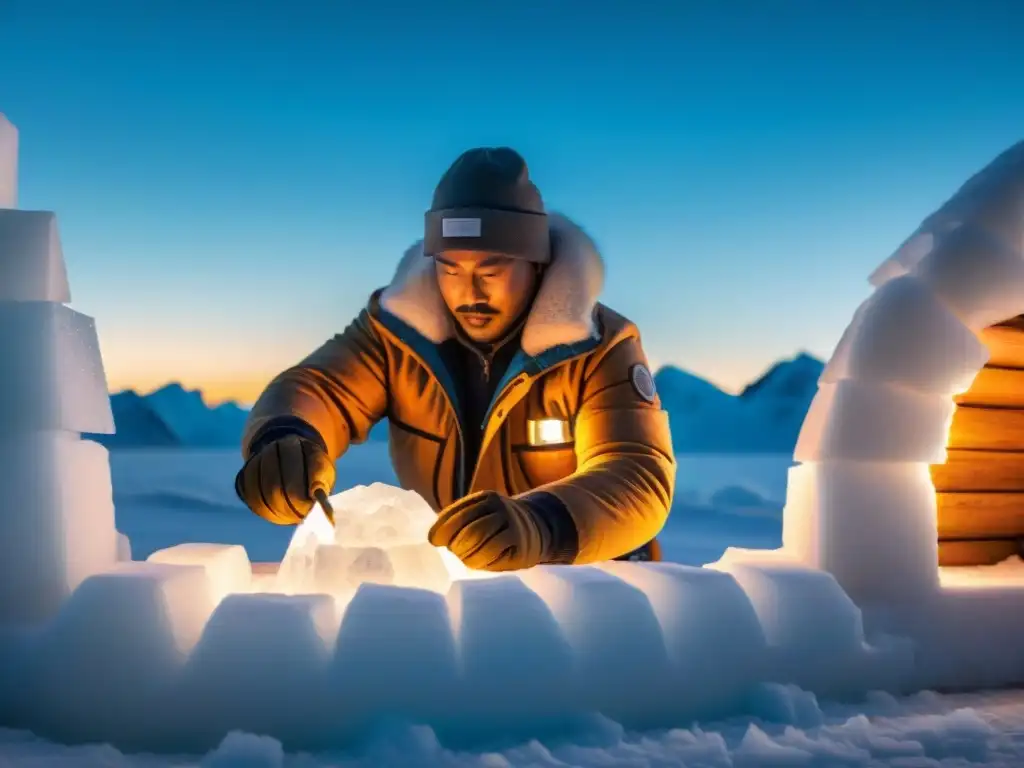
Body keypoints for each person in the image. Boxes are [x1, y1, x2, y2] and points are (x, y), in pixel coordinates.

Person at [234, 147, 675, 571]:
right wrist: (285, 439)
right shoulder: (394, 337)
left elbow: (636, 474)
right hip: (458, 581)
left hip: (591, 584)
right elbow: (321, 389)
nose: (470, 293)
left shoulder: (598, 349)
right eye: (450, 268)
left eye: (491, 271)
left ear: (536, 264)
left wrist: (539, 524)